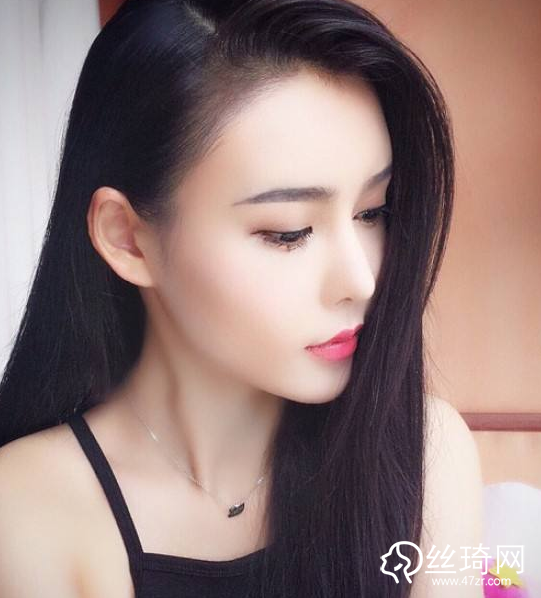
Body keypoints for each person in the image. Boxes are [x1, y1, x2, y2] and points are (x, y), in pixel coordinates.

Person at [0, 0, 483, 596]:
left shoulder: (427, 453)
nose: (362, 281)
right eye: (288, 231)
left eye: (372, 212)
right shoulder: (26, 510)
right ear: (129, 239)